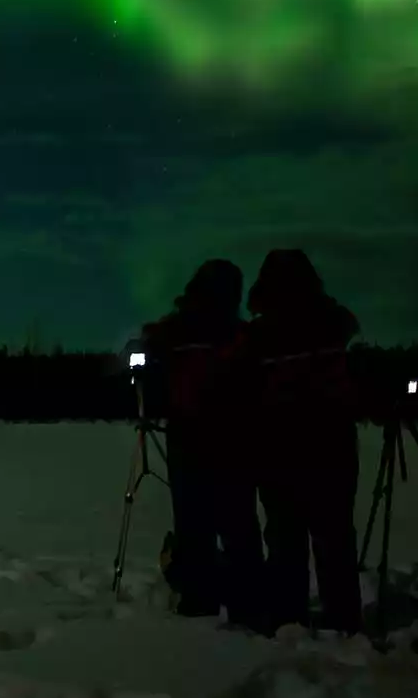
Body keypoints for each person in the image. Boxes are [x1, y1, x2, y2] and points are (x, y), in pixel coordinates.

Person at [245, 249, 363, 635]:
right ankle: (342, 620)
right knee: (334, 538)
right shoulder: (332, 323)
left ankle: (288, 618)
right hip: (332, 445)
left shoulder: (259, 336)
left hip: (279, 448)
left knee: (285, 539)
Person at [140, 259, 265, 625]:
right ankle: (246, 605)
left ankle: (200, 601)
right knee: (238, 524)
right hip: (231, 441)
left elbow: (154, 367)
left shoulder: (177, 331)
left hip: (192, 439)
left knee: (197, 525)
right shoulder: (239, 333)